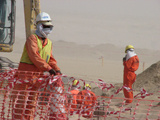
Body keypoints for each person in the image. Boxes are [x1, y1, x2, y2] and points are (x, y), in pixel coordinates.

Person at [12, 12, 65, 120]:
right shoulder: (32, 39)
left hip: (37, 78)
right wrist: (48, 68)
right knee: (21, 103)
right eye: (46, 26)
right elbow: (34, 56)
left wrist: (56, 69)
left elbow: (50, 58)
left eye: (49, 27)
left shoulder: (49, 43)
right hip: (25, 77)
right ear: (40, 26)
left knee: (32, 103)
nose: (48, 29)